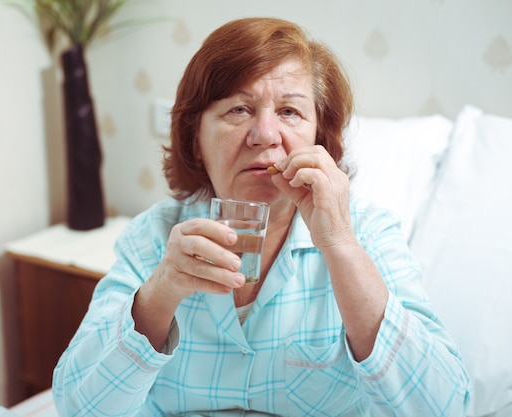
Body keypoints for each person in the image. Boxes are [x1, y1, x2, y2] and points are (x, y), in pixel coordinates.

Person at [52, 17, 471, 416]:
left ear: (319, 139)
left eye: (290, 112)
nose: (266, 135)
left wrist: (340, 247)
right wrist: (161, 292)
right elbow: (77, 408)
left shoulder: (367, 233)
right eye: (238, 110)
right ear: (195, 140)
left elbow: (445, 409)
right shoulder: (153, 236)